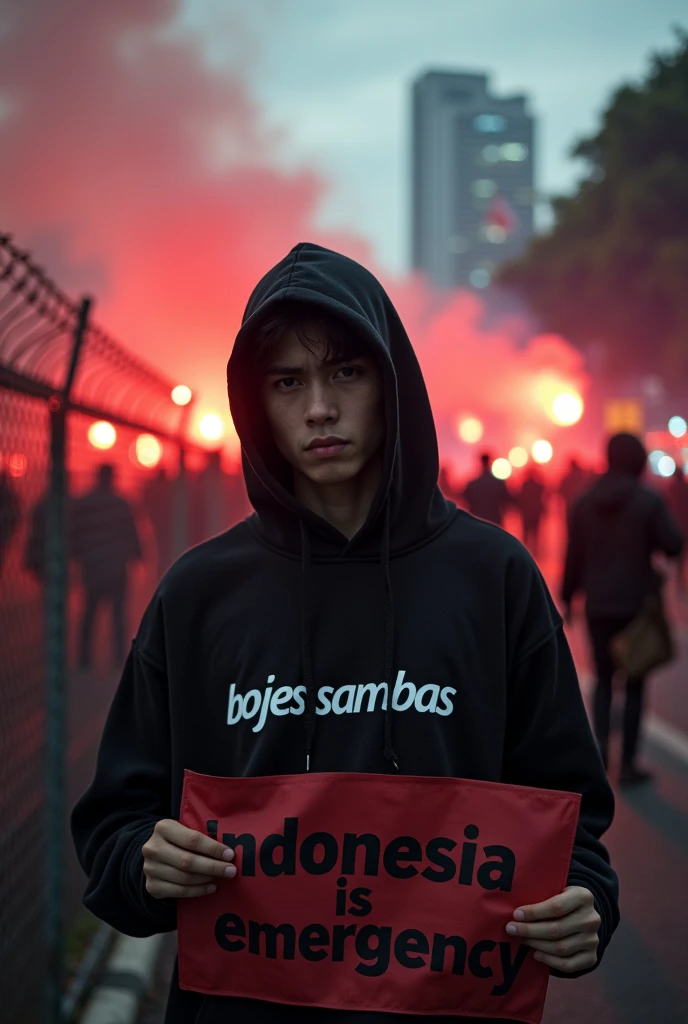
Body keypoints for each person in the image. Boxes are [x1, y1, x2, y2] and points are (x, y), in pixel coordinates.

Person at [72, 244, 618, 1024]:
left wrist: (586, 902)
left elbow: (570, 818)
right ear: (256, 402)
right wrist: (143, 862)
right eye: (288, 382)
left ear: (391, 384)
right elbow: (113, 825)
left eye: (346, 373)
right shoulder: (197, 594)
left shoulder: (494, 578)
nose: (319, 408)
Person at [562, 433, 683, 786]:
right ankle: (628, 764)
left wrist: (569, 599)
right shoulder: (647, 500)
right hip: (636, 608)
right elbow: (674, 544)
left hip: (598, 606)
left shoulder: (584, 502)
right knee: (634, 683)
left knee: (602, 681)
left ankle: (598, 757)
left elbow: (574, 558)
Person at [72, 463, 143, 670]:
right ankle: (118, 657)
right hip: (116, 567)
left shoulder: (85, 503)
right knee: (118, 614)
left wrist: (76, 557)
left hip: (92, 565)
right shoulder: (121, 504)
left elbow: (76, 534)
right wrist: (137, 556)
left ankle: (85, 658)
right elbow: (131, 533)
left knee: (90, 614)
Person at [463, 452, 511, 526]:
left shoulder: (473, 484)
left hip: (477, 519)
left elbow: (466, 500)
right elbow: (506, 500)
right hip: (494, 520)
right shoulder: (499, 483)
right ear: (490, 462)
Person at [667, 463, 688, 592]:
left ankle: (679, 580)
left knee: (679, 556)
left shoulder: (672, 488)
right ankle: (680, 580)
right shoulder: (684, 489)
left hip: (676, 525)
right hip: (684, 525)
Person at [517, 468, 547, 555]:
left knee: (526, 531)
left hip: (526, 511)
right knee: (535, 532)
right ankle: (535, 549)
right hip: (535, 511)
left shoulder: (525, 485)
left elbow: (520, 498)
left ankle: (526, 548)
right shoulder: (537, 485)